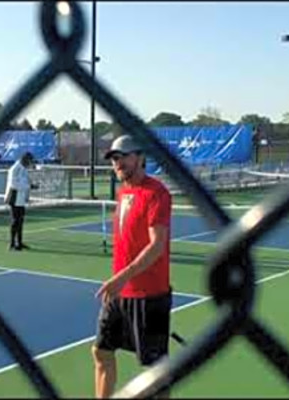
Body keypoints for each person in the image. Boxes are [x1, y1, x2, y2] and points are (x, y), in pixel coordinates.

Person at [92, 134, 172, 398]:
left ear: (140, 157)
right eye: (114, 159)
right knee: (101, 352)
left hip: (149, 296)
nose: (117, 163)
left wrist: (122, 277)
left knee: (155, 373)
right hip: (119, 292)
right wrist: (120, 281)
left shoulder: (157, 193)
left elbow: (157, 245)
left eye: (122, 157)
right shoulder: (124, 190)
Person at [4, 151, 38, 251]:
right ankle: (11, 243)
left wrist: (32, 186)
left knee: (20, 220)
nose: (30, 163)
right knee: (15, 221)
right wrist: (28, 186)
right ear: (25, 160)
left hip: (21, 197)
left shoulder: (24, 169)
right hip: (14, 197)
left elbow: (26, 181)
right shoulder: (14, 169)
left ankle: (19, 242)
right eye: (29, 161)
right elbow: (14, 185)